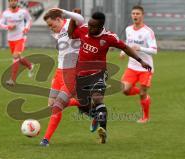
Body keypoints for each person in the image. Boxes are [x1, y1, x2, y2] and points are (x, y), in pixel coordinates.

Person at [64, 9, 152, 144]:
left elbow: (126, 48)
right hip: (81, 74)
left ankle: (102, 131)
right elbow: (70, 34)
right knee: (82, 106)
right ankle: (96, 116)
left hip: (98, 74)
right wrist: (73, 19)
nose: (90, 28)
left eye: (94, 27)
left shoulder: (109, 37)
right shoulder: (84, 29)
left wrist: (141, 61)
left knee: (97, 99)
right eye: (90, 25)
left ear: (101, 26)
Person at [39, 8, 84, 146]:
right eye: (49, 26)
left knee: (57, 106)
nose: (51, 28)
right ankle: (82, 104)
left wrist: (63, 10)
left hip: (72, 72)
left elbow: (80, 19)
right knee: (51, 105)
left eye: (52, 25)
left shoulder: (71, 24)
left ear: (59, 19)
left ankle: (45, 139)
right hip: (59, 72)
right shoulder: (58, 32)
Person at [120, 5, 157, 123]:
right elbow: (128, 43)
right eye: (133, 14)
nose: (135, 16)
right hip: (132, 66)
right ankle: (144, 95)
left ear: (142, 15)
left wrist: (140, 48)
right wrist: (123, 51)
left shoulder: (148, 32)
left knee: (142, 93)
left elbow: (154, 50)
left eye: (138, 14)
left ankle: (145, 117)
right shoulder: (128, 29)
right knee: (125, 90)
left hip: (145, 67)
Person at [0, 0, 33, 86]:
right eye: (11, 1)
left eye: (14, 1)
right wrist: (8, 26)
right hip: (11, 39)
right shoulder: (5, 13)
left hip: (21, 37)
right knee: (18, 57)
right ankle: (30, 65)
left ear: (17, 2)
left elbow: (29, 20)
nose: (13, 2)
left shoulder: (23, 12)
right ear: (9, 2)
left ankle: (12, 80)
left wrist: (26, 28)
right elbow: (0, 24)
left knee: (15, 56)